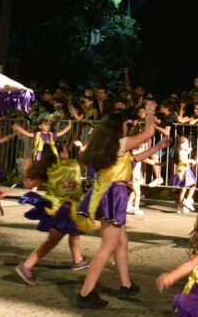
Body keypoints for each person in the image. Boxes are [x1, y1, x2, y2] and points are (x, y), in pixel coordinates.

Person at [76, 101, 170, 308]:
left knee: (122, 242)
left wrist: (158, 147)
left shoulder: (111, 146)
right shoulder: (120, 143)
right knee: (108, 245)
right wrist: (151, 111)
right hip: (113, 194)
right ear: (118, 127)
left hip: (107, 192)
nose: (128, 127)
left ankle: (126, 285)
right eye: (126, 124)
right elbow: (146, 134)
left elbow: (134, 159)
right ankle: (86, 293)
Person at [15, 144, 90, 285]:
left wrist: (26, 169)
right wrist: (83, 150)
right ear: (62, 152)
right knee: (52, 241)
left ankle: (78, 260)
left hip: (63, 209)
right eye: (66, 149)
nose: (68, 151)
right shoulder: (72, 164)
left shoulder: (48, 169)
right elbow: (84, 160)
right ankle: (26, 266)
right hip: (65, 210)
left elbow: (28, 185)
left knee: (75, 233)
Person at [172, 135, 198, 214]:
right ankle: (187, 200)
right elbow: (184, 160)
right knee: (193, 185)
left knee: (183, 189)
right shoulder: (181, 152)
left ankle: (180, 206)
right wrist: (191, 160)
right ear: (181, 145)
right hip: (184, 171)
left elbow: (183, 155)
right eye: (187, 144)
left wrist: (188, 151)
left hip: (180, 170)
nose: (188, 146)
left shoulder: (179, 151)